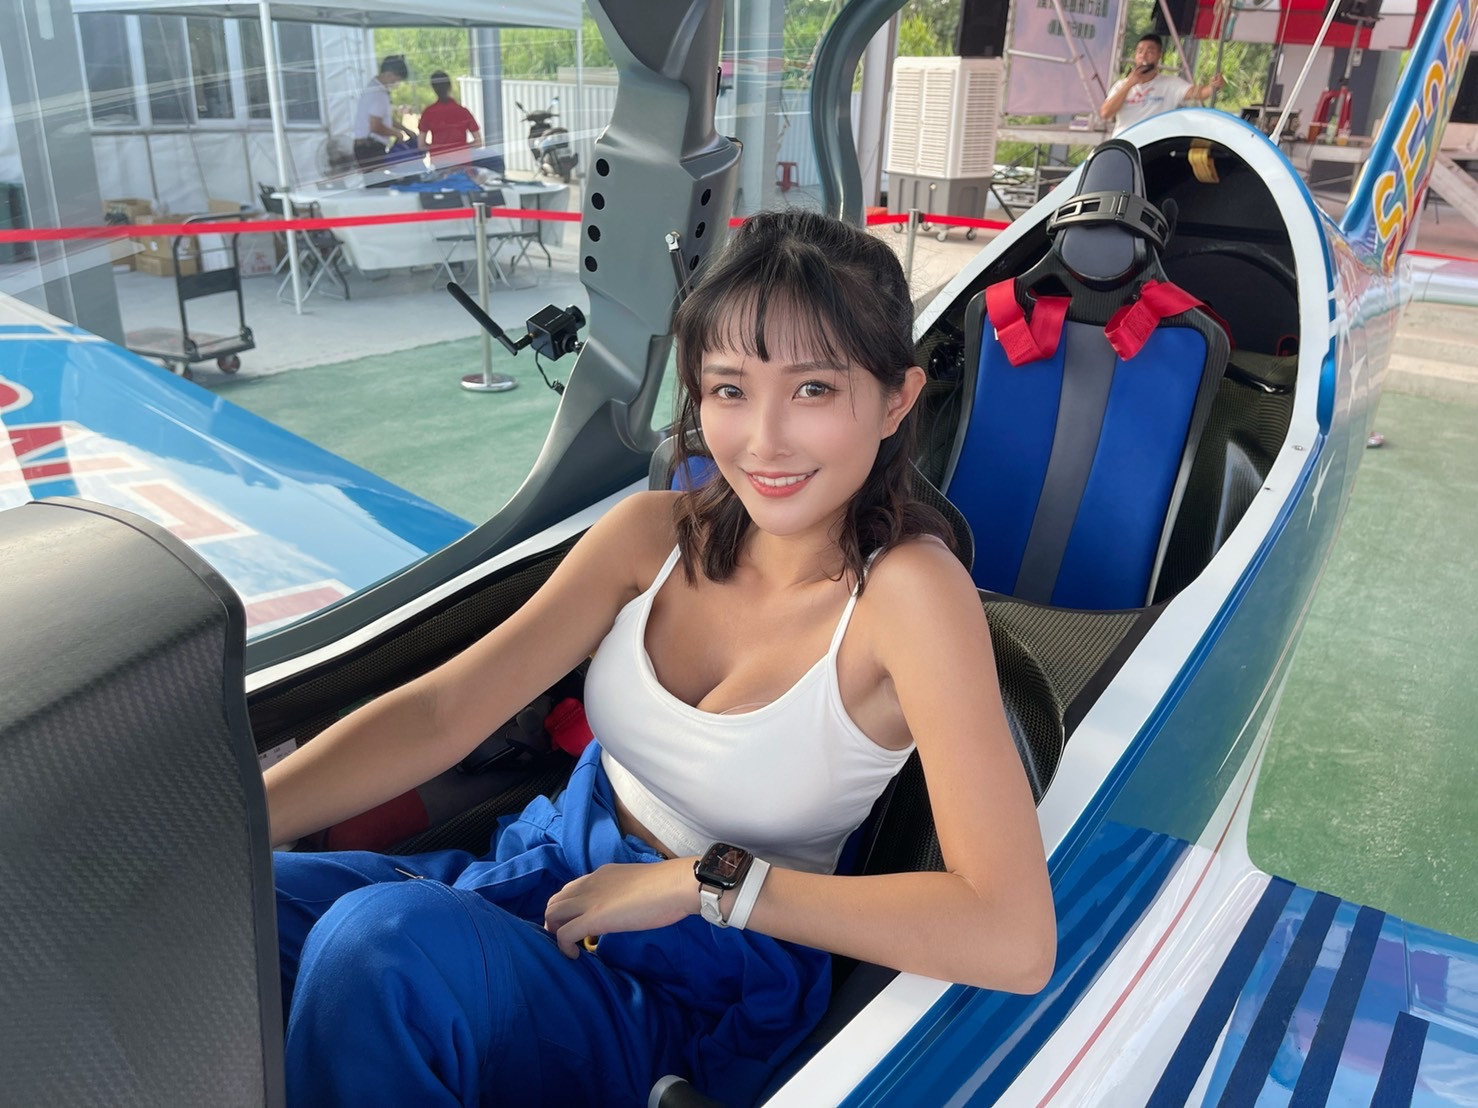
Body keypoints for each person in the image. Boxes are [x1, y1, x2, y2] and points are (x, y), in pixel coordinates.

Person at [265, 209, 1056, 1106]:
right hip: (553, 868)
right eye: (730, 389)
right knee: (229, 901)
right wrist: (234, 824)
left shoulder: (908, 596)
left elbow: (1011, 937)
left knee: (376, 949)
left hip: (702, 976)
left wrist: (702, 883)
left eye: (812, 389)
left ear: (897, 400)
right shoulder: (650, 537)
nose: (764, 440)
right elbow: (443, 712)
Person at [1099, 33, 1226, 138]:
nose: (1143, 56)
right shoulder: (1121, 85)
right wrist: (1129, 84)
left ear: (1159, 55)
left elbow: (1198, 93)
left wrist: (1213, 86)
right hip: (1124, 143)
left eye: (1150, 52)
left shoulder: (1170, 84)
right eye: (1140, 51)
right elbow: (1105, 113)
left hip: (1154, 145)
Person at [353, 55, 416, 170]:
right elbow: (375, 126)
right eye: (396, 80)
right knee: (380, 181)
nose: (396, 84)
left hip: (367, 146)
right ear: (388, 74)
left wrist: (404, 129)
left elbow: (384, 119)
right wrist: (397, 134)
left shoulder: (374, 87)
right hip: (370, 148)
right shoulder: (378, 94)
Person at [419, 70, 482, 160]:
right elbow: (478, 142)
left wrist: (437, 149)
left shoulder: (428, 113)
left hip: (440, 162)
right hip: (461, 161)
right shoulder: (463, 111)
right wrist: (461, 148)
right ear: (450, 87)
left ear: (433, 88)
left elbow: (421, 145)